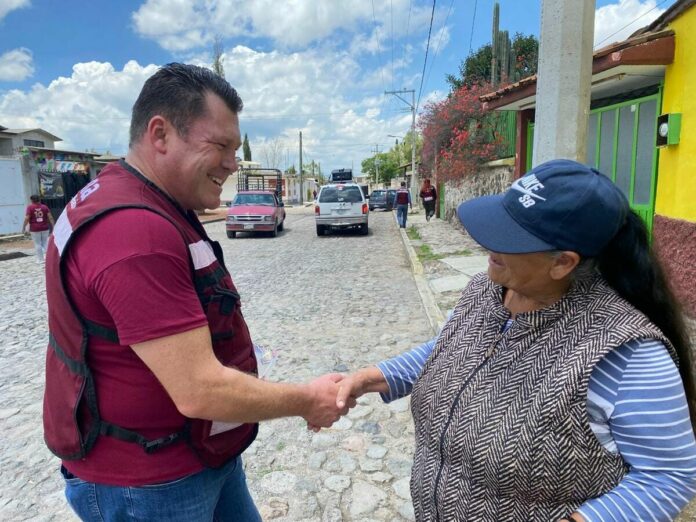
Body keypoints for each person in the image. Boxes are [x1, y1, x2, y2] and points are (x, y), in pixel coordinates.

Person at [42, 63, 351, 522]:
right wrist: (308, 399)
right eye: (220, 146)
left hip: (195, 458)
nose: (232, 163)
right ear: (161, 134)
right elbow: (199, 389)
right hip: (150, 484)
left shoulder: (145, 199)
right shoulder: (133, 231)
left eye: (236, 149)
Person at [335, 159, 696, 521]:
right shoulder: (485, 289)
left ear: (563, 263)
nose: (487, 241)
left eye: (511, 237)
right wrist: (369, 378)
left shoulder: (625, 351)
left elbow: (669, 476)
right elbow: (445, 349)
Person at [23, 194, 54, 263]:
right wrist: (53, 226)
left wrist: (24, 226)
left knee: (37, 244)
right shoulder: (45, 207)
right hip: (45, 227)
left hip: (35, 228)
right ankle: (49, 258)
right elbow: (50, 217)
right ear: (39, 199)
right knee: (45, 243)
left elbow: (27, 218)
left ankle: (40, 260)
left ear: (32, 200)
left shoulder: (30, 207)